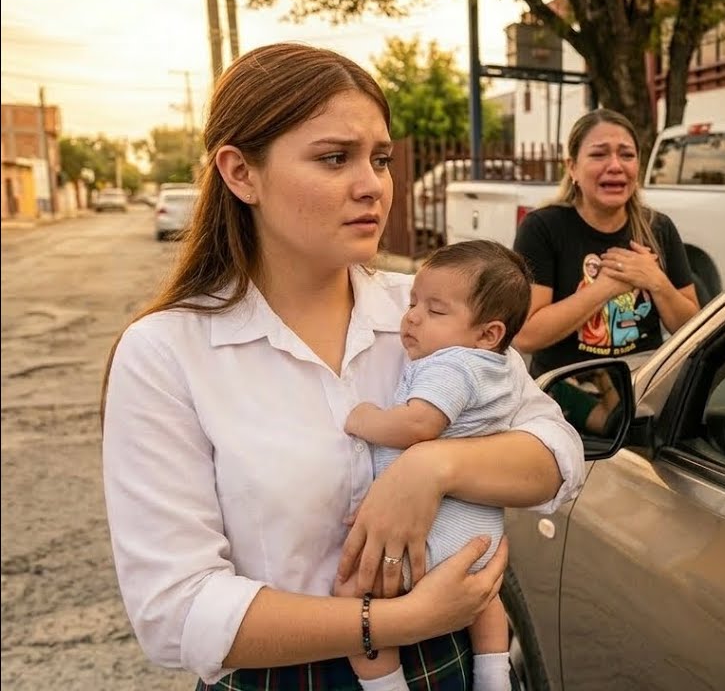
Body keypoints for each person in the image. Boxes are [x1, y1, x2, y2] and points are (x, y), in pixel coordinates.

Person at [100, 43, 585, 691]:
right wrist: (392, 621)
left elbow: (557, 453)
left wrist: (432, 466)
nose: (373, 185)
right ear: (241, 173)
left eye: (380, 159)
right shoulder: (168, 351)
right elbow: (176, 611)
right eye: (335, 158)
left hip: (453, 664)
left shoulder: (421, 311)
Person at [339, 240, 540, 691]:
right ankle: (493, 674)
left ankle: (383, 684)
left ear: (487, 332)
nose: (411, 317)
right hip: (479, 530)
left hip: (434, 532)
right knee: (485, 594)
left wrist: (367, 419)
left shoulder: (452, 366)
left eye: (434, 310)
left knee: (357, 597)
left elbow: (419, 424)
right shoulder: (501, 365)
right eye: (412, 303)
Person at [511, 108, 702, 380]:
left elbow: (692, 328)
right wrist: (607, 287)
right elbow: (527, 335)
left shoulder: (659, 228)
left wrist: (655, 280)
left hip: (644, 387)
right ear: (572, 167)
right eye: (599, 154)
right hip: (567, 395)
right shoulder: (542, 228)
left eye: (626, 155)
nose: (615, 166)